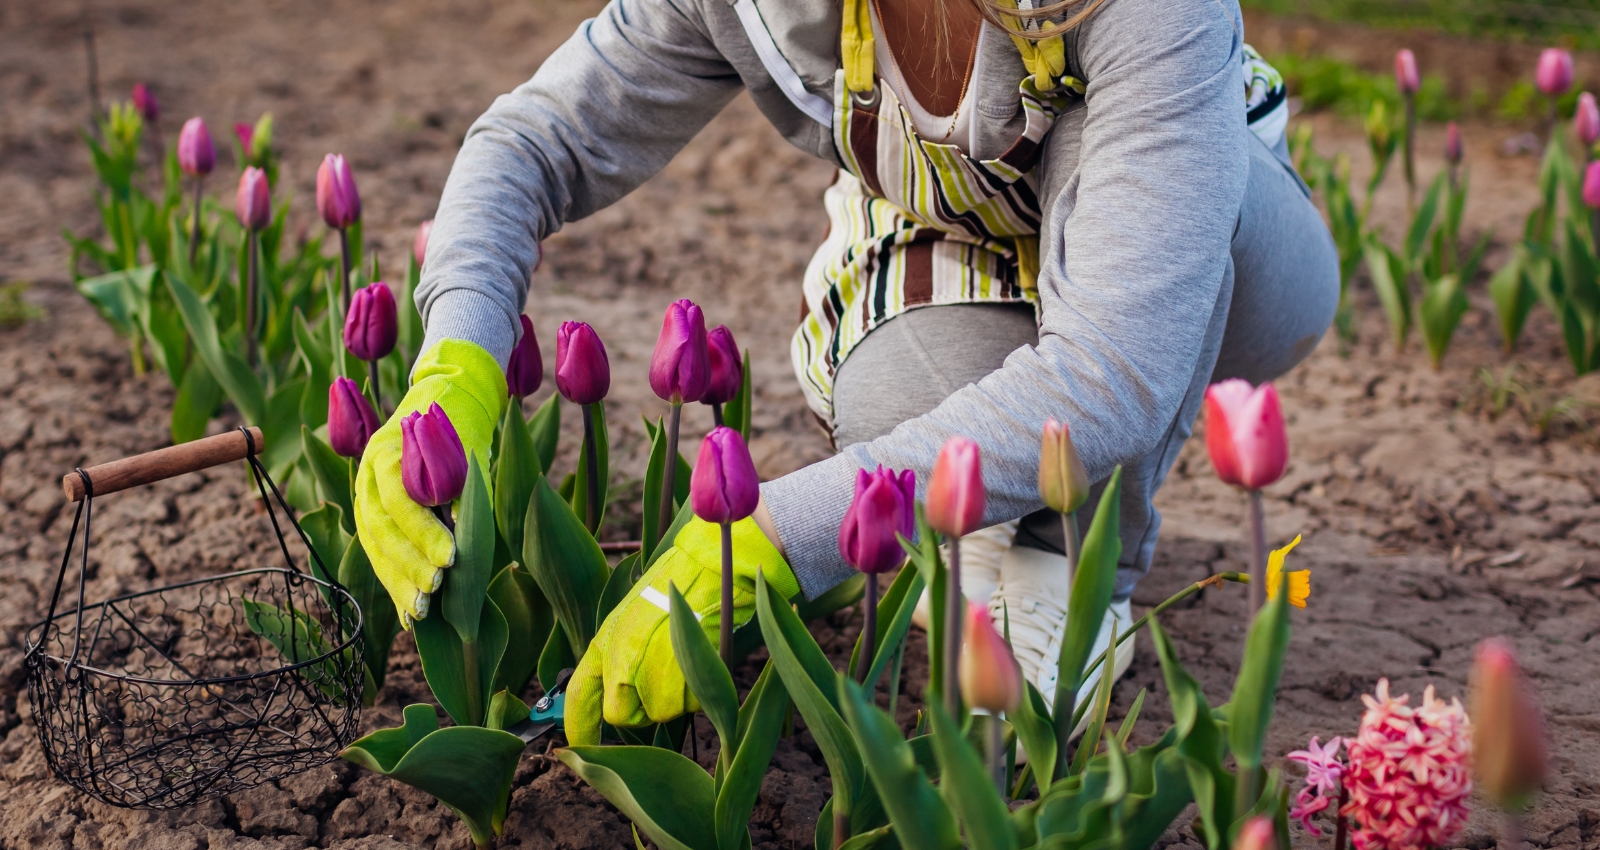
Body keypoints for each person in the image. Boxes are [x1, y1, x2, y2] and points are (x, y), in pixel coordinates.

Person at [352, 0, 1339, 744]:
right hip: (950, 220)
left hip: (1198, 231)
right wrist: (457, 364)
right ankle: (997, 481)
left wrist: (776, 535)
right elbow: (531, 141)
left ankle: (1083, 558)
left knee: (1149, 319)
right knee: (894, 411)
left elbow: (1117, 365)